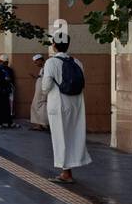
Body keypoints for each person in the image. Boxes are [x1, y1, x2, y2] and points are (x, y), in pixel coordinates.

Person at [41, 38, 91, 183]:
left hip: (58, 104)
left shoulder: (51, 62)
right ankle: (69, 169)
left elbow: (45, 87)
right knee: (73, 135)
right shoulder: (77, 62)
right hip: (76, 103)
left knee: (60, 137)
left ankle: (66, 173)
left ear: (54, 46)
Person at [0, 54, 16, 128]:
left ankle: (8, 121)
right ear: (0, 61)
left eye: (6, 63)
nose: (6, 64)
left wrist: (9, 81)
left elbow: (12, 78)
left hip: (7, 90)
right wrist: (4, 80)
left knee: (7, 107)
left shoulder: (8, 69)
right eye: (4, 63)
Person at [29, 53, 49, 131]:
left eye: (36, 62)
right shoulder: (42, 69)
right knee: (38, 106)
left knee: (38, 106)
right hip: (39, 91)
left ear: (40, 60)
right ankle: (41, 124)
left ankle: (41, 124)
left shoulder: (46, 67)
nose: (35, 64)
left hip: (42, 91)